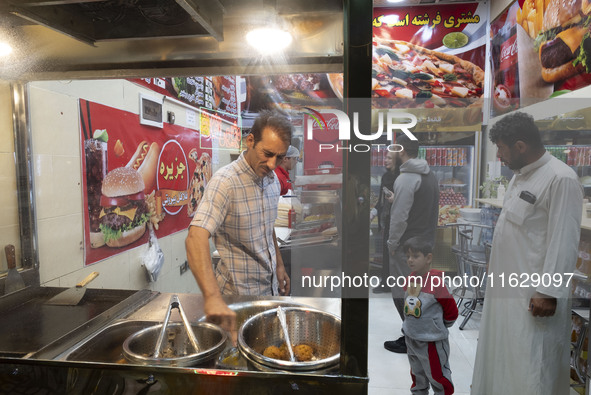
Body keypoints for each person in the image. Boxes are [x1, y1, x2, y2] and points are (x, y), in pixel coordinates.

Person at [471, 112, 583, 394]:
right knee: (503, 359)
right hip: (505, 293)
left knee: (532, 364)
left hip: (532, 299)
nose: (499, 155)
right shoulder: (520, 176)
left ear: (520, 146)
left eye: (501, 148)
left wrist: (548, 291)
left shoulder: (561, 179)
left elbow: (564, 238)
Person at [185, 110, 292, 341]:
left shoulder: (271, 181)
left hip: (269, 292)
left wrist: (280, 266)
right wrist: (211, 297)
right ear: (250, 141)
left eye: (280, 157)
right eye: (268, 154)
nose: (273, 164)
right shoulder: (225, 182)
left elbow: (266, 225)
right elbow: (195, 237)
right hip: (236, 300)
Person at [385, 135, 439, 354]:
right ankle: (417, 334)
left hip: (408, 246)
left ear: (402, 151)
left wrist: (392, 243)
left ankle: (411, 338)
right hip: (425, 243)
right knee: (417, 291)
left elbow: (399, 218)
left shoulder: (406, 178)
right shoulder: (429, 174)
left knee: (403, 292)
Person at [401, 237, 458, 395]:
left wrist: (438, 325)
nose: (410, 260)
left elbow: (452, 312)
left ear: (428, 258)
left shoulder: (437, 283)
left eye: (416, 256)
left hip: (431, 341)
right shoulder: (410, 279)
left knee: (438, 375)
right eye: (408, 256)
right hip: (411, 338)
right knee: (417, 374)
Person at [373, 150, 399, 293]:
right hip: (386, 220)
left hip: (395, 219)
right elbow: (381, 200)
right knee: (385, 252)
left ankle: (392, 283)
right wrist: (374, 211)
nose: (386, 160)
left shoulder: (400, 178)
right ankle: (386, 282)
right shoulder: (385, 176)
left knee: (393, 253)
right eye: (386, 157)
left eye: (389, 158)